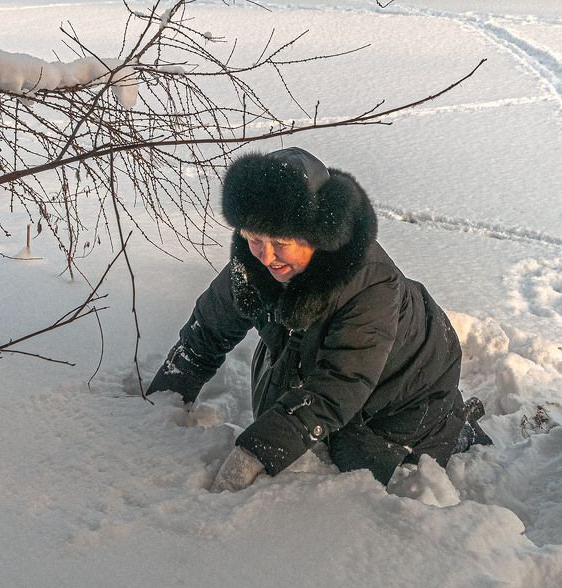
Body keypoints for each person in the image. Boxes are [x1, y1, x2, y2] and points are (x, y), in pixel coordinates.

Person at [147, 147, 490, 491]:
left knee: (357, 464)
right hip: (311, 354)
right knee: (277, 418)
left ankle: (456, 428)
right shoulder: (256, 265)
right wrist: (162, 402)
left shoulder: (371, 284)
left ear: (319, 236)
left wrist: (255, 452)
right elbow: (205, 332)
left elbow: (341, 384)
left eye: (281, 242)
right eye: (254, 239)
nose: (266, 256)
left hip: (407, 385)